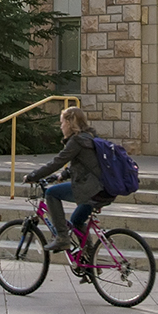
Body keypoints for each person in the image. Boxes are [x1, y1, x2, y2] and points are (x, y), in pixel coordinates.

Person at [22, 106, 109, 252]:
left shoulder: (76, 141)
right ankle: (89, 266)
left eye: (62, 123)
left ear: (69, 123)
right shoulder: (90, 137)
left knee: (51, 193)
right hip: (101, 189)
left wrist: (33, 176)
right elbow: (86, 164)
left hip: (89, 189)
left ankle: (62, 238)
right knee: (77, 221)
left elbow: (56, 162)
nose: (61, 127)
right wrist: (63, 175)